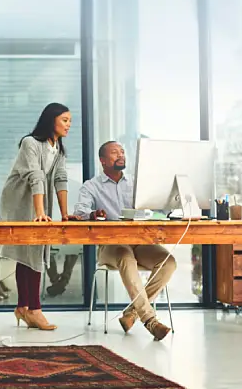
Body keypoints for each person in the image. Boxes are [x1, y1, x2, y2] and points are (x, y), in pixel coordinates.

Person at [72, 141, 175, 341]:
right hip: (110, 246)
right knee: (125, 256)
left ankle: (131, 314)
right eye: (114, 152)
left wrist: (174, 206)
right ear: (102, 160)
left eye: (122, 151)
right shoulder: (91, 186)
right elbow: (79, 212)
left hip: (140, 242)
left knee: (168, 262)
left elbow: (158, 207)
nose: (120, 155)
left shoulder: (137, 183)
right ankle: (150, 321)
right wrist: (93, 213)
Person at [0, 103, 72, 331]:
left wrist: (65, 214)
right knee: (28, 251)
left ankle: (24, 307)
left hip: (39, 199)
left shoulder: (58, 147)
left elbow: (60, 178)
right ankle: (34, 310)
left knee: (34, 251)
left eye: (70, 121)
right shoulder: (30, 143)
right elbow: (35, 176)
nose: (69, 125)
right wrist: (40, 213)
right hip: (20, 198)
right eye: (65, 120)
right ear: (52, 121)